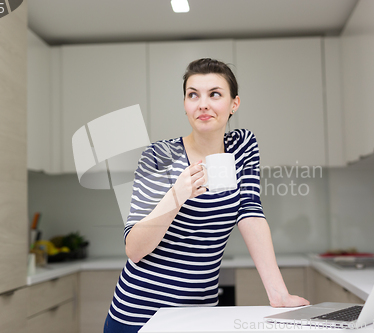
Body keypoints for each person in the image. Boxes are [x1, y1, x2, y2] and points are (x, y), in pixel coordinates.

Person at [103, 58, 309, 333]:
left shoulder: (243, 146)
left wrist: (278, 294)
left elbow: (250, 213)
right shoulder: (159, 156)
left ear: (234, 104)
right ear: (185, 105)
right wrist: (177, 194)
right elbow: (135, 249)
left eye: (215, 94)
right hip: (141, 317)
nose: (203, 104)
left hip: (200, 315)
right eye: (193, 95)